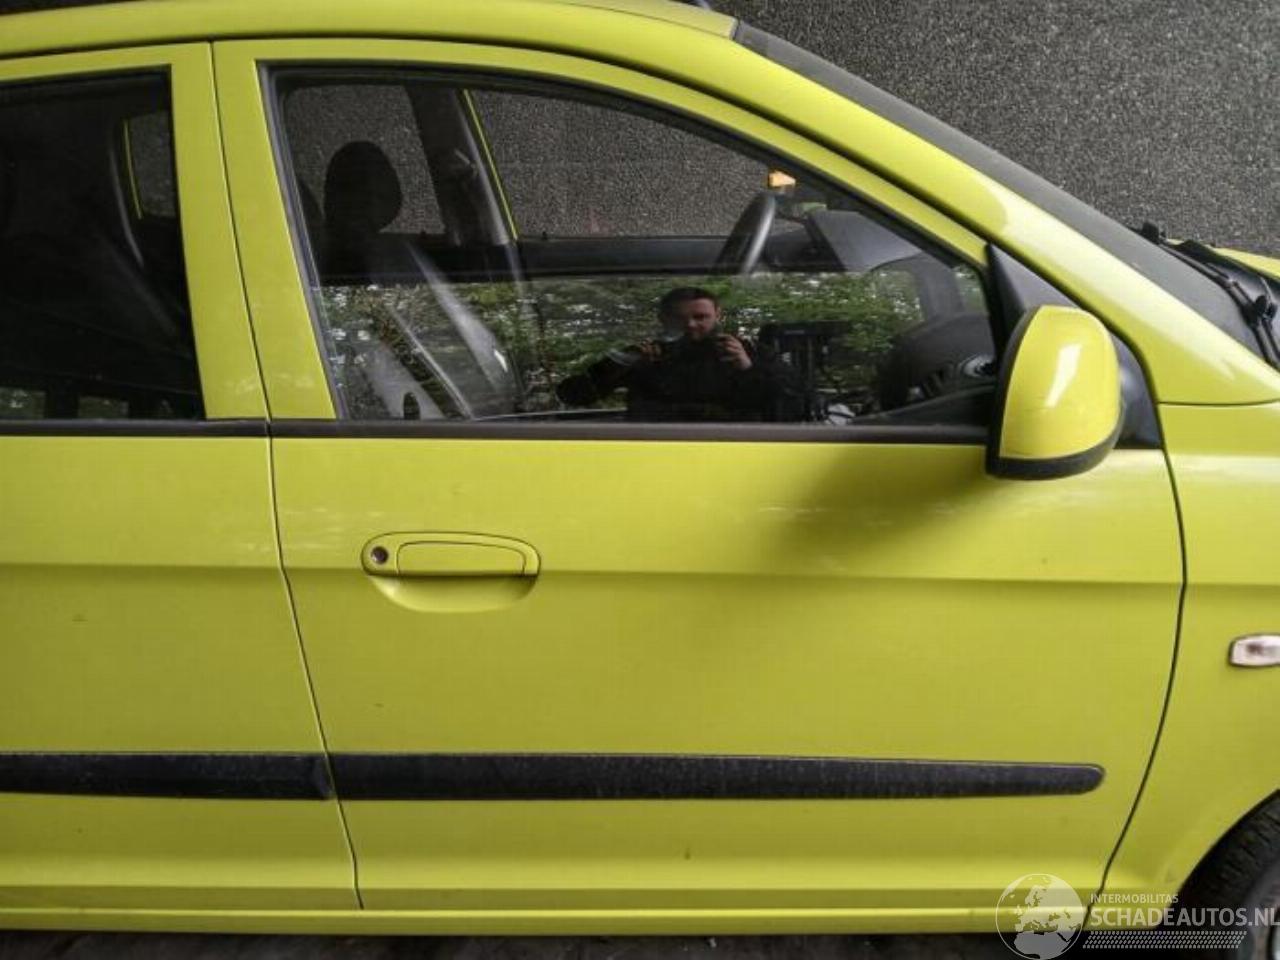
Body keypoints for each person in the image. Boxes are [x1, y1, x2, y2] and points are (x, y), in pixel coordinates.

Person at [556, 287, 800, 422]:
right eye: (679, 318)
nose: (691, 325)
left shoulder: (750, 351)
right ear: (663, 319)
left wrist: (748, 367)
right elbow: (573, 395)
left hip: (737, 446)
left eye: (700, 317)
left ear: (718, 315)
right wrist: (619, 366)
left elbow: (796, 402)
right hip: (654, 448)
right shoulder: (645, 355)